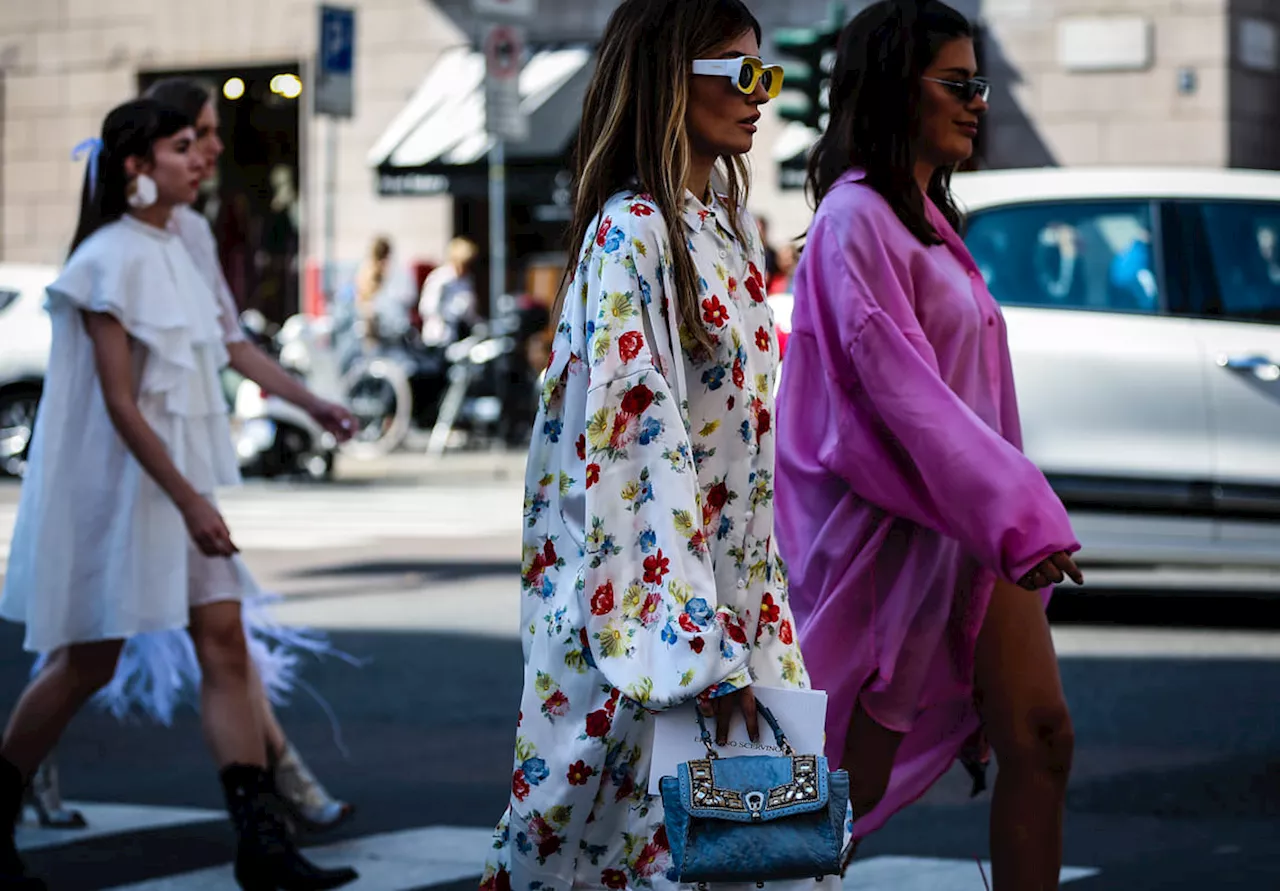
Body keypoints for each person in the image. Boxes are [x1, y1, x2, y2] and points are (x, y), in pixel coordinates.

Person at [479, 2, 810, 889]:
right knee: (628, 849)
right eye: (741, 75)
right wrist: (699, 646)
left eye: (766, 75)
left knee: (755, 850)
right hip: (650, 619)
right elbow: (637, 444)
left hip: (720, 604)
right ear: (673, 79)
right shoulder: (633, 232)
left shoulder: (723, 230)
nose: (760, 96)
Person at [0, 98, 358, 891]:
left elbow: (230, 345)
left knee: (223, 641)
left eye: (205, 143)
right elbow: (121, 404)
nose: (203, 156)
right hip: (119, 486)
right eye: (184, 143)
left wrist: (313, 402)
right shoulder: (103, 259)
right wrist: (193, 502)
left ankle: (262, 846)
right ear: (136, 165)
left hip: (181, 476)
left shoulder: (185, 240)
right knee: (85, 660)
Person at [774, 3, 1083, 890]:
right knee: (832, 793)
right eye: (958, 84)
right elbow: (906, 399)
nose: (978, 103)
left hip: (970, 535)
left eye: (979, 83)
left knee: (1042, 735)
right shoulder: (854, 220)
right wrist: (1022, 512)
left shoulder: (920, 219)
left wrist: (1006, 516)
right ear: (892, 89)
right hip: (891, 541)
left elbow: (971, 402)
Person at [417, 236, 480, 347]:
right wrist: (448, 314)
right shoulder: (440, 278)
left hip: (459, 335)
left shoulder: (466, 281)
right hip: (438, 336)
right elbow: (427, 307)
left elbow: (470, 311)